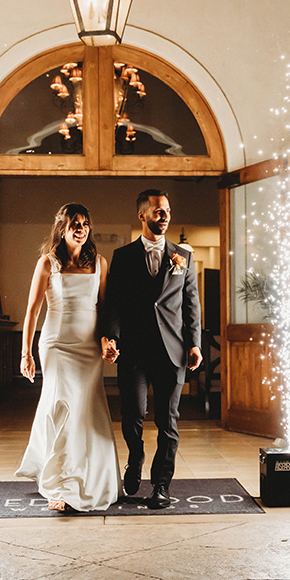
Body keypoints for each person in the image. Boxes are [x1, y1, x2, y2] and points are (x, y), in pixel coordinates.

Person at [15, 203, 121, 512]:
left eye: (85, 223)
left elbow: (104, 309)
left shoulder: (99, 263)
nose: (81, 228)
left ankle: (90, 478)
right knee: (61, 407)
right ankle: (59, 485)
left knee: (86, 411)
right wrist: (26, 353)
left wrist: (107, 340)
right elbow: (32, 311)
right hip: (56, 346)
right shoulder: (47, 263)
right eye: (75, 223)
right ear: (62, 228)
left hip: (88, 349)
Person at [101, 189, 203, 510]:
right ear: (142, 215)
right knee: (132, 416)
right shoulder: (122, 256)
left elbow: (191, 304)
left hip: (173, 352)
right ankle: (135, 457)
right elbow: (113, 304)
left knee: (168, 421)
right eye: (158, 211)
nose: (165, 216)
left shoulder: (182, 257)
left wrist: (195, 343)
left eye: (168, 210)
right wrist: (113, 337)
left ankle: (161, 485)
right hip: (133, 351)